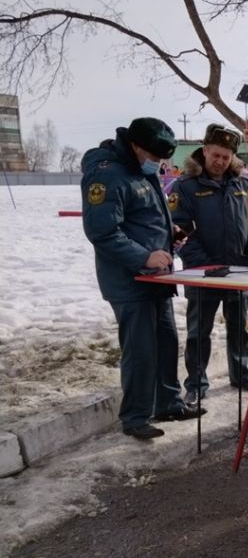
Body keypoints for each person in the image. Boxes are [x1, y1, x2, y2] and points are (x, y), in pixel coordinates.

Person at [81, 118, 204, 440]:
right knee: (140, 349)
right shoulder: (107, 175)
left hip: (156, 279)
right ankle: (135, 417)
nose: (159, 164)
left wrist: (170, 236)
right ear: (135, 145)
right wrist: (144, 256)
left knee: (165, 343)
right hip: (129, 281)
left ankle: (168, 403)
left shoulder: (140, 171)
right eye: (154, 157)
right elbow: (102, 231)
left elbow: (143, 218)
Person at [168, 123, 248, 404]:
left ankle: (241, 375)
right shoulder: (185, 186)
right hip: (204, 273)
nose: (220, 161)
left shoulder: (243, 185)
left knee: (239, 328)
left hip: (237, 272)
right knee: (199, 332)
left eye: (226, 156)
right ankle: (196, 383)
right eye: (215, 155)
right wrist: (203, 265)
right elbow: (180, 231)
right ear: (204, 150)